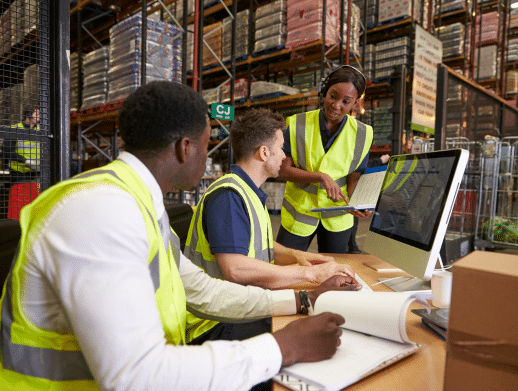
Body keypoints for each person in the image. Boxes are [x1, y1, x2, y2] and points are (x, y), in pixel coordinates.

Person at [0, 81, 361, 391]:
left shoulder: (141, 203)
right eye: (207, 146)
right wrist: (283, 347)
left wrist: (302, 300)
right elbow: (135, 376)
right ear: (184, 148)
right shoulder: (100, 211)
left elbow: (201, 290)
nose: (210, 157)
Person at [184, 108, 357, 344]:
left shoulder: (247, 191)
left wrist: (298, 256)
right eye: (281, 148)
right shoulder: (228, 196)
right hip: (215, 323)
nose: (285, 156)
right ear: (264, 153)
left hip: (240, 308)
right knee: (322, 329)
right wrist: (310, 274)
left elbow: (259, 244)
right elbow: (236, 269)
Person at [277, 65, 374, 253]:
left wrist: (358, 202)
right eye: (333, 96)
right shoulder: (296, 123)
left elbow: (354, 177)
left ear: (355, 104)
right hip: (300, 213)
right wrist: (320, 177)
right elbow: (283, 171)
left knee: (334, 271)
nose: (336, 105)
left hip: (337, 216)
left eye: (346, 101)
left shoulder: (363, 134)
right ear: (324, 92)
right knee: (283, 265)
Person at [347, 154, 390, 254]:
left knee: (353, 220)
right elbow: (362, 165)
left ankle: (352, 246)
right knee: (352, 220)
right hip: (348, 194)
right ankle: (352, 247)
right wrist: (379, 160)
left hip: (352, 193)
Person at [3, 107, 41, 183]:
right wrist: (26, 161)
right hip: (19, 173)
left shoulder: (40, 131)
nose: (40, 116)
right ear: (29, 116)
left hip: (37, 172)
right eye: (37, 114)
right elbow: (7, 151)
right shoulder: (14, 129)